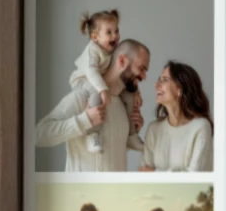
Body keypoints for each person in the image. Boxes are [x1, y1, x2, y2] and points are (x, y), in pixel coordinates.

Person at [35, 39, 149, 172]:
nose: (144, 77)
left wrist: (132, 133)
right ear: (122, 61)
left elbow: (109, 154)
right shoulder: (82, 98)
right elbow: (39, 135)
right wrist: (85, 120)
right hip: (79, 193)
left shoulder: (122, 108)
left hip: (115, 192)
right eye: (141, 68)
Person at [69, 7, 131, 155]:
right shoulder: (93, 51)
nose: (114, 36)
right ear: (95, 37)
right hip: (83, 80)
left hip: (98, 79)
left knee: (128, 94)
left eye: (116, 31)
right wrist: (103, 89)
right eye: (109, 32)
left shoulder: (111, 49)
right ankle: (93, 134)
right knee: (96, 94)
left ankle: (132, 134)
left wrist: (135, 91)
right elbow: (92, 72)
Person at [139, 61, 214, 172]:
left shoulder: (201, 127)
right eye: (159, 79)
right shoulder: (154, 129)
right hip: (154, 190)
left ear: (180, 89)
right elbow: (143, 173)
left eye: (164, 80)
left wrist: (155, 172)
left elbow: (195, 177)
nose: (156, 84)